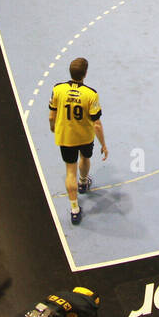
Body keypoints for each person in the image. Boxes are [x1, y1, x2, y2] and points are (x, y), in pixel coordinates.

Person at [48, 58, 107, 226]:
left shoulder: (57, 89)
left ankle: (74, 209)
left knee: (69, 171)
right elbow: (96, 123)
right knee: (85, 158)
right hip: (85, 137)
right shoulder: (91, 94)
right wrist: (103, 144)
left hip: (66, 137)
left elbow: (52, 115)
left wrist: (53, 127)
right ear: (85, 74)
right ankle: (83, 183)